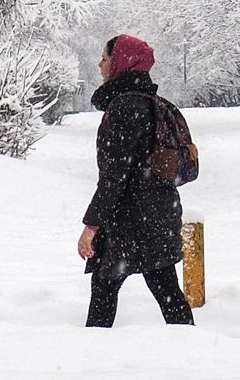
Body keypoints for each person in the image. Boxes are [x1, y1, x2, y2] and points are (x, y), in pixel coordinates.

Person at [77, 33, 194, 328]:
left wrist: (92, 226)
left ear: (120, 63)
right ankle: (192, 351)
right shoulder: (157, 104)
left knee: (104, 287)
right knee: (167, 290)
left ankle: (91, 353)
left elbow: (114, 176)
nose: (100, 65)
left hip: (129, 222)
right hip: (160, 215)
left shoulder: (124, 108)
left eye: (105, 58)